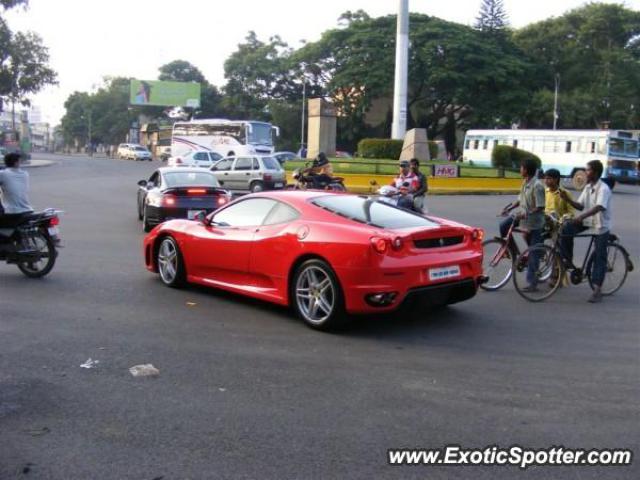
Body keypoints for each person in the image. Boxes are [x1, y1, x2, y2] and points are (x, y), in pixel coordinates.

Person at [558, 160, 612, 303]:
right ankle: (567, 259)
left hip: (600, 226)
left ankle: (597, 290)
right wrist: (567, 199)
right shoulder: (588, 187)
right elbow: (580, 206)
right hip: (588, 222)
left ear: (595, 172)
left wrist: (581, 217)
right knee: (566, 228)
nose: (585, 172)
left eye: (587, 170)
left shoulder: (604, 189)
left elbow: (599, 207)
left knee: (600, 257)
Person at [499, 158, 546, 291]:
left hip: (535, 222)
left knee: (533, 251)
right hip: (522, 216)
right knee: (503, 226)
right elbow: (520, 200)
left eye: (521, 168)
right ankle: (514, 253)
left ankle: (533, 283)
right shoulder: (525, 182)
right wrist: (509, 208)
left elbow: (540, 207)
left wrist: (527, 213)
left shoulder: (537, 186)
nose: (520, 170)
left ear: (526, 170)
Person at [0, 152, 33, 226]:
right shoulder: (25, 174)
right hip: (28, 210)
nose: (20, 163)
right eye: (19, 161)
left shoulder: (3, 174)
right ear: (16, 163)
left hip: (12, 212)